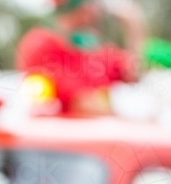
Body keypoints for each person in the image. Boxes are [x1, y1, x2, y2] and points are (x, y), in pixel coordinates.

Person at [15, 0, 146, 113]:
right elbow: (79, 103)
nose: (97, 11)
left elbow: (133, 74)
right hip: (59, 139)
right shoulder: (39, 44)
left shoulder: (95, 48)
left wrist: (133, 28)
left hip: (99, 137)